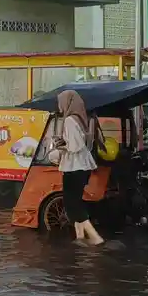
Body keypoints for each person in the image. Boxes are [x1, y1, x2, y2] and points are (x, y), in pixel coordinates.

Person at [51, 90, 104, 246]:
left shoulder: (69, 120)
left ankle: (94, 237)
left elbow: (75, 146)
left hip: (74, 167)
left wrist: (61, 144)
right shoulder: (81, 119)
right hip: (83, 167)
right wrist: (64, 141)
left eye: (60, 102)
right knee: (75, 201)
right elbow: (80, 142)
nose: (59, 105)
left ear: (67, 103)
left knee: (72, 204)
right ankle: (80, 237)